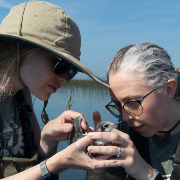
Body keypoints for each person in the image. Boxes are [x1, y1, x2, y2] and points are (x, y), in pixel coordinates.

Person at [0, 1, 109, 179]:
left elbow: (34, 167)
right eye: (62, 64)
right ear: (21, 48)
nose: (66, 79)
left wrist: (47, 140)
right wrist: (55, 163)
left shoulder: (22, 94)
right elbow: (44, 168)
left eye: (72, 71)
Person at [86, 43, 180, 180]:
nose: (124, 118)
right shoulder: (128, 131)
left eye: (133, 103)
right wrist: (97, 164)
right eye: (118, 105)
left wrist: (145, 173)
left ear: (168, 90)